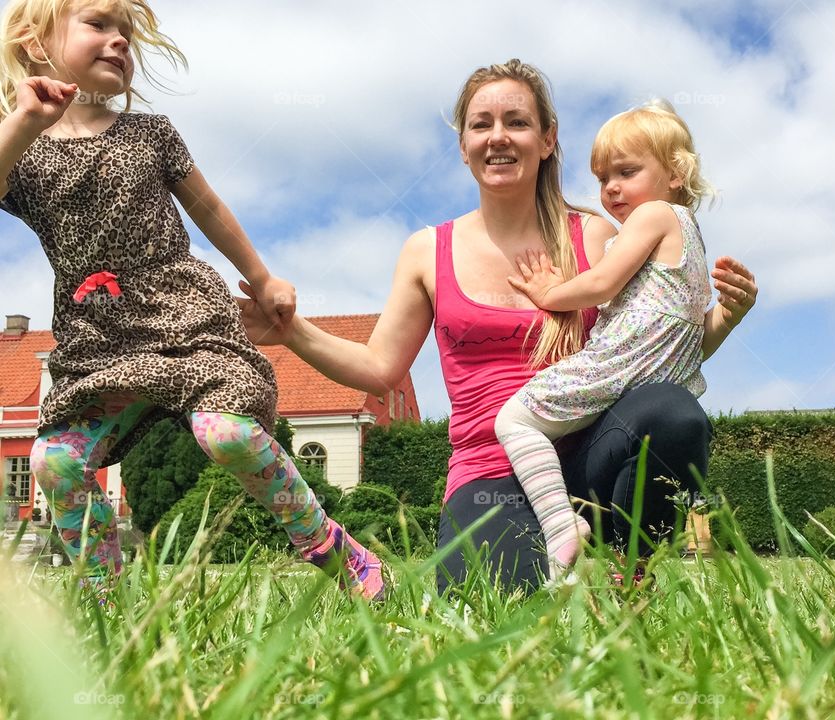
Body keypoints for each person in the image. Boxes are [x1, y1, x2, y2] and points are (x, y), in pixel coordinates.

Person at [240, 59, 757, 594]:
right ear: (463, 145)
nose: (498, 137)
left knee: (674, 412)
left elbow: (649, 346)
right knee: (498, 607)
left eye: (517, 121)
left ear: (548, 139)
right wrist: (292, 332)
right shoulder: (427, 251)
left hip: (587, 459)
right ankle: (538, 555)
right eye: (481, 124)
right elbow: (378, 369)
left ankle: (629, 571)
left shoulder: (598, 236)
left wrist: (721, 320)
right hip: (491, 476)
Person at [0, 0, 382, 599]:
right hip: (96, 341)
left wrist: (261, 276)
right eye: (99, 25)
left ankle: (330, 546)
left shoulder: (149, 133)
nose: (120, 41)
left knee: (225, 433)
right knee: (54, 459)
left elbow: (208, 209)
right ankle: (105, 595)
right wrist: (22, 122)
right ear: (31, 39)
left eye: (126, 32)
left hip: (182, 316)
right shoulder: (20, 149)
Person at [495, 101, 714, 580]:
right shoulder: (693, 238)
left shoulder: (654, 214)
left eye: (626, 171)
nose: (610, 187)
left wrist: (550, 292)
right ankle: (630, 564)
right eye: (602, 177)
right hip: (656, 378)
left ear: (675, 172)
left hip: (616, 365)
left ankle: (560, 527)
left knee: (514, 420)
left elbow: (603, 284)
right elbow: (691, 332)